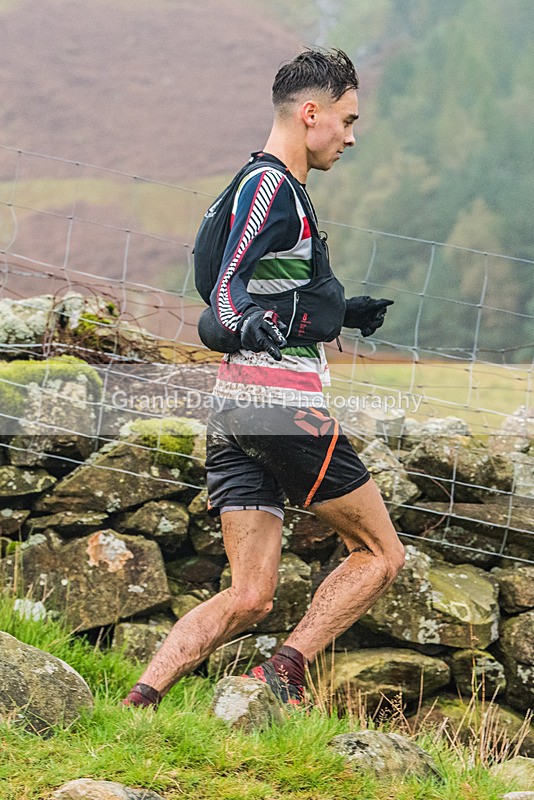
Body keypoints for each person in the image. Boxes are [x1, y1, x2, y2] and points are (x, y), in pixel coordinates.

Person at [123, 48, 405, 709]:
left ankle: (137, 706)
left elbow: (269, 286)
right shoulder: (270, 185)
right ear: (311, 113)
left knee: (250, 595)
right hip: (279, 405)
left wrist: (341, 312)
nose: (352, 137)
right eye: (347, 120)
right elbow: (228, 288)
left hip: (235, 409)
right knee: (381, 553)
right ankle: (284, 672)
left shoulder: (260, 186)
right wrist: (242, 321)